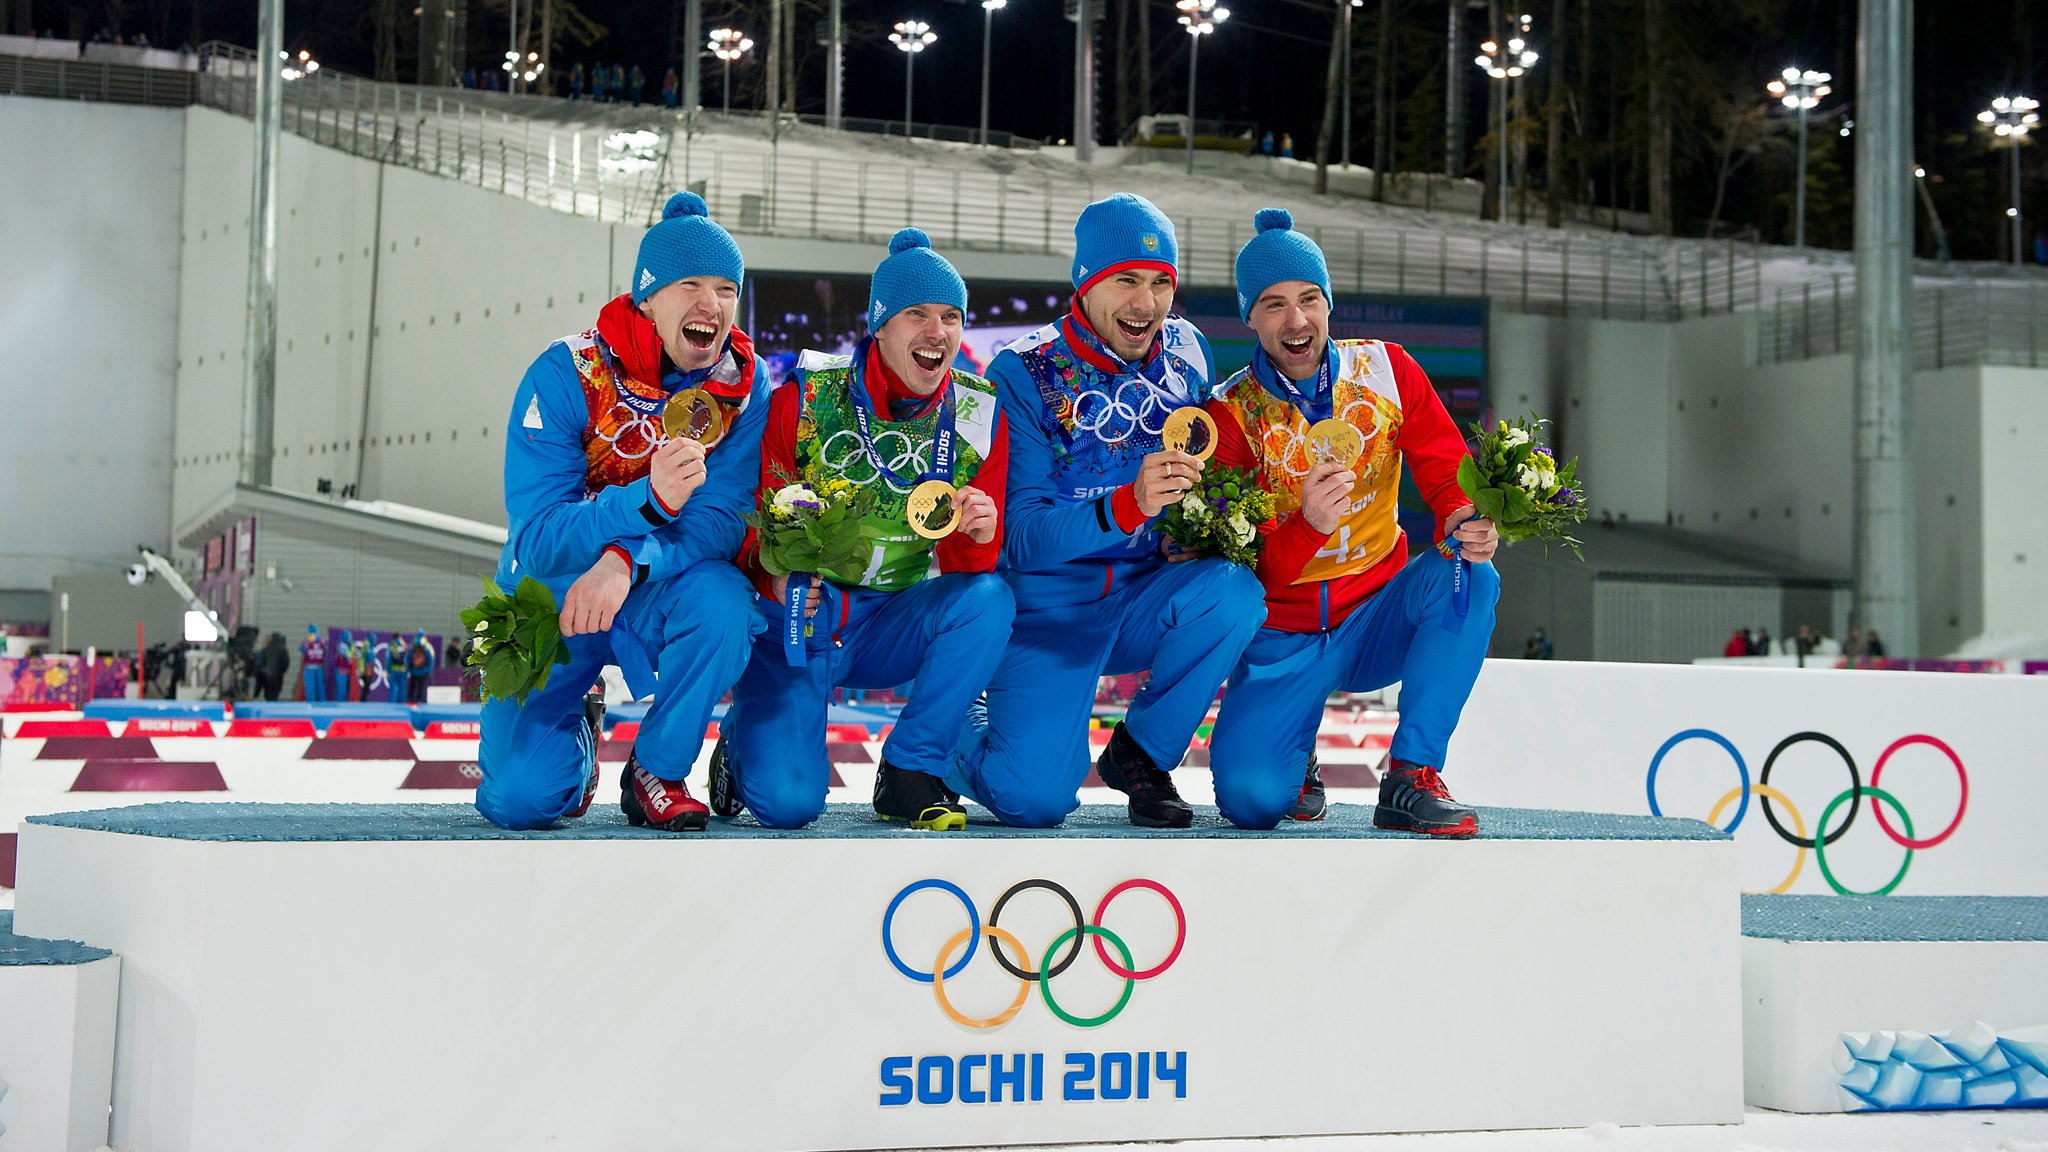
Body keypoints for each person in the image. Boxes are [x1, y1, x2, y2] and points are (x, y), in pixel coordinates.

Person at [946, 193, 1266, 829]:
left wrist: (1195, 527)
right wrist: (1129, 505)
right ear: (1086, 284)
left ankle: (1141, 752)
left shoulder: (1189, 351)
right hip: (1049, 611)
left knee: (1232, 593)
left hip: (1143, 596)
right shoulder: (1024, 370)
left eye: (1159, 283)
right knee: (1034, 801)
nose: (1144, 304)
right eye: (1125, 281)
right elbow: (1022, 540)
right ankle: (947, 725)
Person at [476, 191, 769, 833]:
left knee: (723, 602)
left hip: (651, 582)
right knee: (519, 802)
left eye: (726, 289)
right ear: (647, 298)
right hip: (553, 594)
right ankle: (578, 731)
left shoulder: (743, 386)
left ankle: (657, 769)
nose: (711, 305)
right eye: (689, 284)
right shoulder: (565, 373)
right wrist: (645, 501)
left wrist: (625, 560)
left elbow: (720, 521)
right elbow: (539, 539)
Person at [1202, 209, 1499, 832]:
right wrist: (1306, 525)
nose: (1297, 320)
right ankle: (1293, 749)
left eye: (1310, 298)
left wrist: (1462, 518)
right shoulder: (1230, 416)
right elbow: (1241, 570)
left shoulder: (1388, 370)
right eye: (1274, 304)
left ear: (1329, 303)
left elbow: (1446, 471)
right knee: (1252, 801)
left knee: (1472, 575)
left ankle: (1410, 774)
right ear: (1249, 317)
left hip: (1376, 612)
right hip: (1283, 634)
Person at [710, 230, 1015, 830]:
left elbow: (969, 570)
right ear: (879, 325)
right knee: (789, 805)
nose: (938, 332)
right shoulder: (805, 399)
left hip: (892, 622)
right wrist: (773, 576)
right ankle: (741, 742)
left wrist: (977, 537)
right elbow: (751, 526)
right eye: (917, 315)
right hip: (804, 615)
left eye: (952, 317)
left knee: (989, 599)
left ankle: (909, 769)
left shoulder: (981, 414)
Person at [405, 630, 435, 703]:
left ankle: (410, 700)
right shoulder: (426, 645)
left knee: (412, 687)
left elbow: (408, 658)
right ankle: (419, 700)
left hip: (414, 670)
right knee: (420, 687)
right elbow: (430, 659)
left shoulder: (413, 644)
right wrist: (428, 669)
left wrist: (408, 668)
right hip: (422, 671)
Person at [300, 625, 328, 701]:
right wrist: (307, 643)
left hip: (319, 667)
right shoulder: (306, 641)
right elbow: (302, 650)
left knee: (320, 686)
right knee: (310, 687)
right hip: (309, 667)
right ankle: (311, 703)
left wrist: (322, 641)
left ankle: (322, 703)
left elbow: (327, 650)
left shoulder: (322, 641)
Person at [259, 632, 290, 701]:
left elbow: (261, 661)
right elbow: (286, 662)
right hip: (278, 674)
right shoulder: (283, 649)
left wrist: (263, 670)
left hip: (268, 674)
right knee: (276, 692)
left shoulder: (266, 649)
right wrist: (283, 671)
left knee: (268, 692)